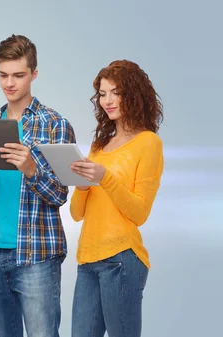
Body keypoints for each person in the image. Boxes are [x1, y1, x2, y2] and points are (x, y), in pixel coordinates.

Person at [0, 34, 76, 337]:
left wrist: (31, 169)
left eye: (18, 75)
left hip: (37, 254)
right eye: (3, 75)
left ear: (34, 74)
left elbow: (59, 195)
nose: (9, 83)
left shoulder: (54, 124)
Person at [69, 59, 164, 337]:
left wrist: (104, 178)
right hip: (87, 261)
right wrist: (83, 185)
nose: (107, 101)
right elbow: (77, 213)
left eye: (115, 92)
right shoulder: (99, 146)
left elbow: (140, 213)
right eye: (102, 93)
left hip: (121, 260)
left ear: (133, 95)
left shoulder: (149, 143)